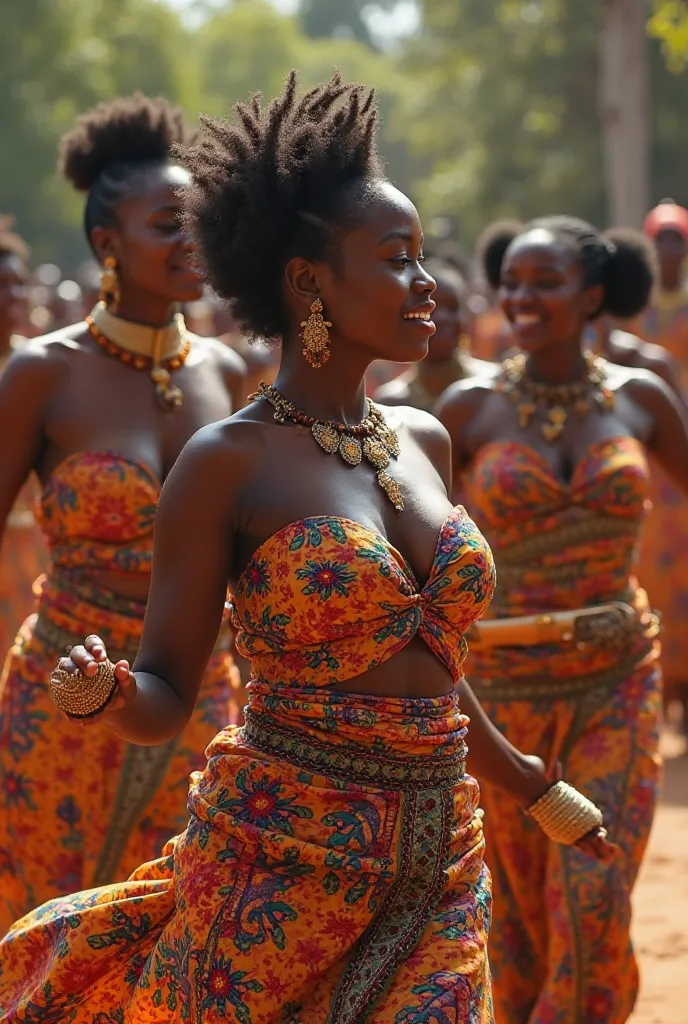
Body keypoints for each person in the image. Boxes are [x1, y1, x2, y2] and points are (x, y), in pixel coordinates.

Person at [0, 74, 610, 1022]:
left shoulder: (426, 439)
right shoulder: (227, 461)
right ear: (309, 281)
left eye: (422, 258)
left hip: (439, 856)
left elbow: (437, 667)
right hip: (277, 864)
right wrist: (108, 693)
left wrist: (533, 786)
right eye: (397, 257)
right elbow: (167, 694)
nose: (428, 284)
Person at [0, 93, 248, 933]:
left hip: (203, 700)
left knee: (184, 934)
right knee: (44, 936)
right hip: (60, 704)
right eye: (165, 225)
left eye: (198, 221)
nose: (192, 241)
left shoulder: (229, 372)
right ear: (107, 244)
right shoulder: (43, 374)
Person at [436, 216, 687, 1024]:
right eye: (512, 282)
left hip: (616, 680)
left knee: (591, 888)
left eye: (545, 282)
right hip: (504, 695)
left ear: (592, 296)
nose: (521, 298)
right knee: (517, 920)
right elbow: (422, 548)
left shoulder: (643, 396)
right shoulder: (468, 410)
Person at [617, 200, 688, 733]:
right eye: (660, 240)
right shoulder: (633, 315)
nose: (669, 250)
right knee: (650, 572)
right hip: (642, 457)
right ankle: (656, 686)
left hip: (680, 452)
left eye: (677, 241)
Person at [0, 219, 48, 657]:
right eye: (1, 285)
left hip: (38, 549)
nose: (13, 296)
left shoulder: (40, 370)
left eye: (19, 284)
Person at [373, 257, 496, 412]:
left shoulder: (493, 387)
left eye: (452, 307)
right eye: (428, 308)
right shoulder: (390, 405)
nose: (442, 317)